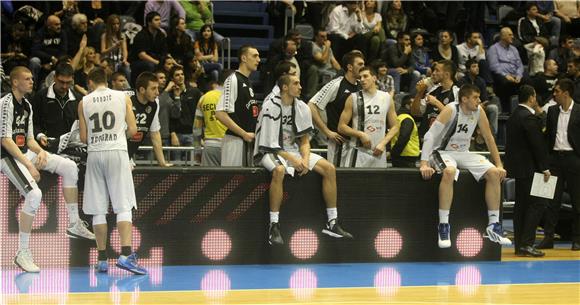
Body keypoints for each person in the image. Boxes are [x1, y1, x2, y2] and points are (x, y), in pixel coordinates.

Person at [1, 67, 94, 273]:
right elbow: (6, 140)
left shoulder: (27, 105)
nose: (32, 81)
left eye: (32, 78)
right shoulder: (6, 103)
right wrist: (28, 164)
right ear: (15, 82)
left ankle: (74, 223)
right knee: (34, 194)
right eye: (27, 79)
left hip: (25, 151)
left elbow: (30, 138)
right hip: (6, 156)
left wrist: (40, 152)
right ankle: (22, 253)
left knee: (70, 167)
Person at [254, 74, 353, 245]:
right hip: (268, 150)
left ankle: (332, 222)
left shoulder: (302, 107)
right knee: (279, 171)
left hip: (292, 150)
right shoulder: (270, 106)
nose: (301, 87)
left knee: (329, 169)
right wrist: (293, 160)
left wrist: (305, 159)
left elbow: (305, 140)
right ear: (285, 87)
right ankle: (274, 226)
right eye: (296, 83)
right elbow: (269, 144)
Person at [419, 83, 512, 249]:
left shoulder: (479, 112)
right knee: (449, 171)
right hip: (441, 151)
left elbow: (489, 138)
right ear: (464, 99)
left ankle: (493, 226)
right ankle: (444, 226)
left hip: (463, 152)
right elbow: (429, 136)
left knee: (493, 173)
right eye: (475, 97)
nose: (479, 100)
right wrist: (424, 163)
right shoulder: (450, 109)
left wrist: (499, 164)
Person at [78, 67, 147, 274]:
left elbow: (83, 138)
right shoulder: (122, 96)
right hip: (116, 151)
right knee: (123, 205)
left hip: (95, 153)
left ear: (90, 83)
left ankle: (101, 259)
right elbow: (134, 130)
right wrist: (117, 135)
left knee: (98, 209)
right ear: (106, 80)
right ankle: (125, 255)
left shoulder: (84, 102)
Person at [505, 85, 550, 257]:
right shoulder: (528, 118)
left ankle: (520, 246)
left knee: (521, 207)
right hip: (530, 169)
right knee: (537, 204)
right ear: (532, 97)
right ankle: (527, 244)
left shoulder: (514, 116)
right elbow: (537, 145)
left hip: (518, 170)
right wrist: (545, 167)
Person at [538, 79, 580, 251]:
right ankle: (548, 237)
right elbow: (548, 136)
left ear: (566, 93)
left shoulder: (579, 110)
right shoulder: (552, 111)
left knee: (578, 201)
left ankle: (577, 239)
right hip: (554, 159)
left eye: (557, 91)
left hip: (573, 159)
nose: (554, 94)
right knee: (550, 200)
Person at [309, 51, 365, 166]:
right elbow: (311, 105)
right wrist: (327, 132)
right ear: (349, 67)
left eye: (364, 64)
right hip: (339, 142)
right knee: (337, 178)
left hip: (357, 143)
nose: (363, 67)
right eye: (360, 64)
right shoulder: (336, 84)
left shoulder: (362, 86)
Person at [338, 66, 399, 168]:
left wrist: (383, 143)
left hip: (379, 152)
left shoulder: (386, 97)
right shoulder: (353, 97)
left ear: (374, 78)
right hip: (358, 151)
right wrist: (360, 134)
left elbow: (395, 126)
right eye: (360, 77)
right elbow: (341, 127)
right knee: (353, 184)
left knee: (378, 184)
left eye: (365, 76)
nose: (362, 80)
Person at [215, 45, 260, 167]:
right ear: (244, 58)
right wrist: (244, 134)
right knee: (232, 183)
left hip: (246, 142)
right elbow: (219, 113)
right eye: (255, 56)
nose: (259, 60)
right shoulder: (233, 79)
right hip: (235, 141)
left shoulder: (248, 82)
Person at [31, 62, 82, 146]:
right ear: (54, 78)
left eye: (68, 82)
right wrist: (40, 136)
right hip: (47, 143)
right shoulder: (40, 96)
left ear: (72, 79)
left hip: (71, 144)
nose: (64, 86)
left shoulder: (78, 98)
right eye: (61, 82)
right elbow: (33, 123)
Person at [128, 72, 172, 168]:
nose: (157, 92)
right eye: (153, 89)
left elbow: (155, 133)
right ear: (142, 90)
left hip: (128, 155)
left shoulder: (154, 103)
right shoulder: (125, 98)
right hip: (114, 151)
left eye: (157, 88)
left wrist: (162, 163)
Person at [411, 60, 460, 139]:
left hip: (443, 141)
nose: (433, 73)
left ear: (447, 75)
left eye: (437, 70)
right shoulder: (433, 90)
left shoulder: (457, 93)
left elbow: (454, 119)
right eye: (434, 70)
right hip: (425, 139)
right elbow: (415, 112)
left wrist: (436, 103)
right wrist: (420, 92)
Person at [193, 71, 232, 166]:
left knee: (210, 180)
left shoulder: (204, 98)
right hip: (230, 145)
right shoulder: (232, 98)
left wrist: (197, 151)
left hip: (210, 145)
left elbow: (196, 129)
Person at [487, 27, 524, 113]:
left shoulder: (514, 49)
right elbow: (493, 66)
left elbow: (520, 65)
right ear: (503, 36)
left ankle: (523, 109)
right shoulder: (493, 49)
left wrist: (519, 75)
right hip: (501, 75)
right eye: (510, 35)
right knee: (505, 82)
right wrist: (505, 75)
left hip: (515, 75)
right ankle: (506, 110)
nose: (513, 37)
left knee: (528, 81)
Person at [390, 94, 420, 168]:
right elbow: (403, 138)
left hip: (401, 156)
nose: (417, 106)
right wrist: (394, 153)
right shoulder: (407, 118)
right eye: (414, 103)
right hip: (406, 157)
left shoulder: (399, 117)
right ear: (407, 105)